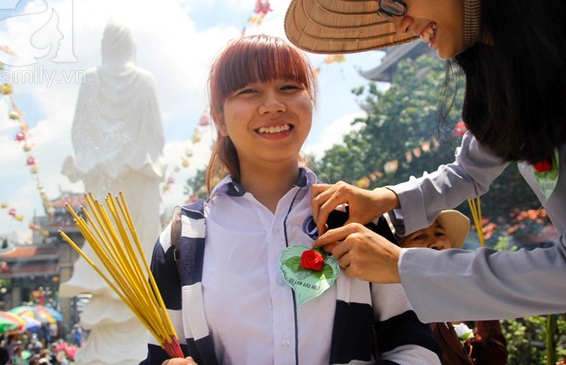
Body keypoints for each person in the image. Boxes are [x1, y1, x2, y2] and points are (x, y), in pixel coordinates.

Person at [284, 0, 566, 322]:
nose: (399, 24)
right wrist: (385, 198)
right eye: (386, 9)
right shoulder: (518, 78)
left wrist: (403, 265)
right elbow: (469, 169)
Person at [141, 34, 441, 364]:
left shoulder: (355, 219)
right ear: (219, 120)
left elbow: (417, 348)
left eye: (288, 87)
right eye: (248, 91)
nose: (273, 105)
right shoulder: (182, 242)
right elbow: (161, 355)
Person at [60, 16, 165, 363]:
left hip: (105, 179)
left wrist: (96, 160)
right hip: (137, 175)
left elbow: (80, 130)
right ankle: (133, 335)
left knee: (112, 244)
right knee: (137, 248)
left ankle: (132, 333)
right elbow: (156, 135)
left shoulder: (91, 79)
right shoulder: (144, 79)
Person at [390, 209, 508, 365]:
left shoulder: (442, 308)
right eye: (419, 237)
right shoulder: (396, 305)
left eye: (439, 234)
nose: (436, 243)